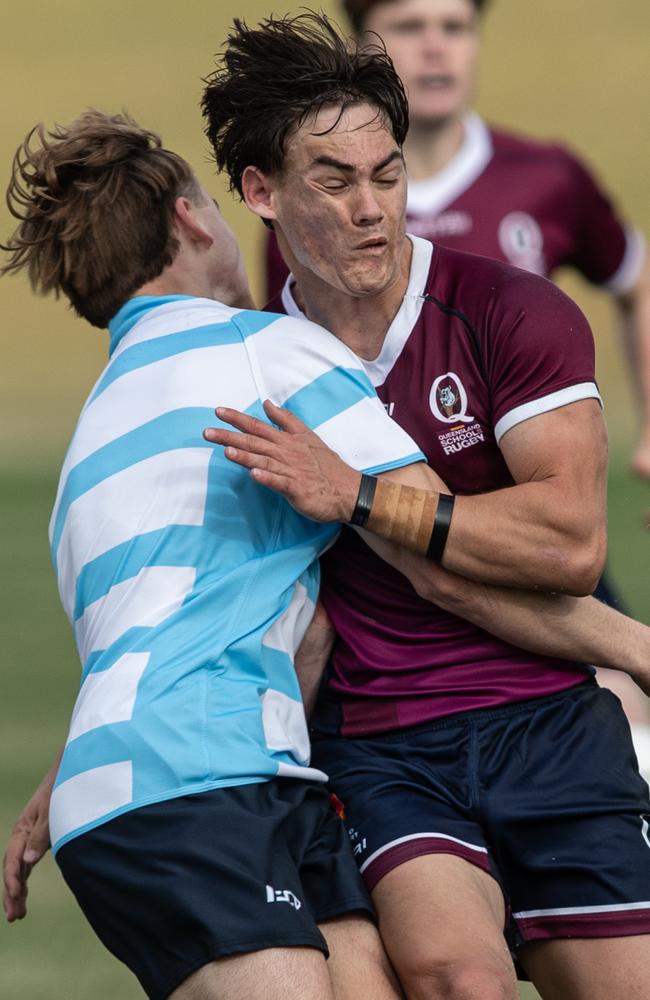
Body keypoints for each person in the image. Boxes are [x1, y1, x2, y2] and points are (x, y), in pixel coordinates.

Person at [200, 13, 650, 998]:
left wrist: (355, 494)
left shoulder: (509, 312)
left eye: (387, 174)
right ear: (260, 191)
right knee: (461, 981)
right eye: (333, 180)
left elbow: (569, 542)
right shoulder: (245, 369)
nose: (372, 209)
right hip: (383, 745)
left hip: (548, 720)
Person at [0, 108, 430, 1000]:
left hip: (211, 777)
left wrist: (64, 772)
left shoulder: (90, 436)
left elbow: (192, 625)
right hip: (199, 782)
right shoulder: (260, 348)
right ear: (193, 219)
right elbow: (428, 521)